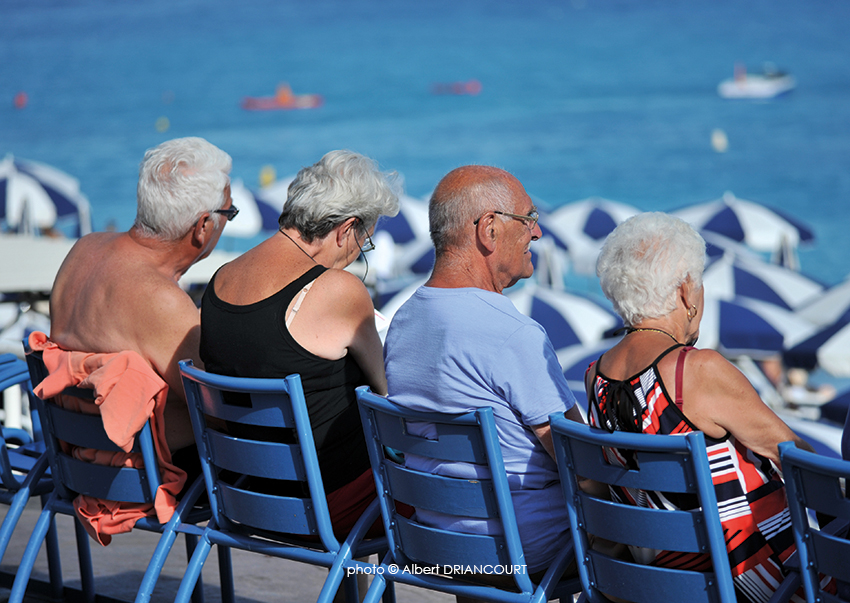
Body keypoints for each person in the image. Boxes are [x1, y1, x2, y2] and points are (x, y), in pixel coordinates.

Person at [589, 212, 830, 603]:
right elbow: (799, 461)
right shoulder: (696, 371)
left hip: (649, 574)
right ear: (686, 290)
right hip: (738, 578)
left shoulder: (595, 376)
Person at [383, 165, 585, 576]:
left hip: (433, 537)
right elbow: (578, 459)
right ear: (489, 230)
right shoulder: (512, 333)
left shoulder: (403, 321)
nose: (537, 233)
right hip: (518, 546)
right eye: (529, 219)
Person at [199, 149, 400, 536]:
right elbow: (391, 389)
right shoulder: (335, 288)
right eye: (365, 242)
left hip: (247, 493)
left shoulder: (221, 279)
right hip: (328, 504)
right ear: (346, 228)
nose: (360, 253)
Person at [49, 136, 234, 459]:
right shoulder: (161, 300)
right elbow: (221, 411)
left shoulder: (83, 250)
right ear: (203, 226)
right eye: (229, 212)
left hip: (78, 462)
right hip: (142, 475)